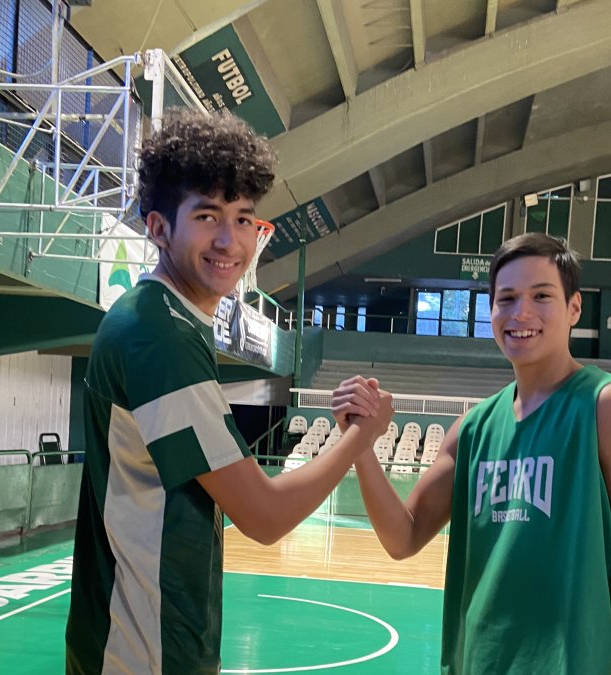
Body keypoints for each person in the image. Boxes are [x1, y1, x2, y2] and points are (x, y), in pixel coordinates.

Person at [66, 110, 393, 675]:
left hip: (140, 641)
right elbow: (263, 517)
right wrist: (361, 438)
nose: (229, 239)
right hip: (143, 651)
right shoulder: (158, 334)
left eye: (244, 219)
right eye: (207, 215)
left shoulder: (167, 320)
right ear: (159, 228)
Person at [347, 233, 611, 674]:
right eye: (507, 299)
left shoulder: (606, 405)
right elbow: (403, 537)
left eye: (541, 296)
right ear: (491, 312)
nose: (521, 313)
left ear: (573, 308)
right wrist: (361, 445)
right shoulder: (473, 427)